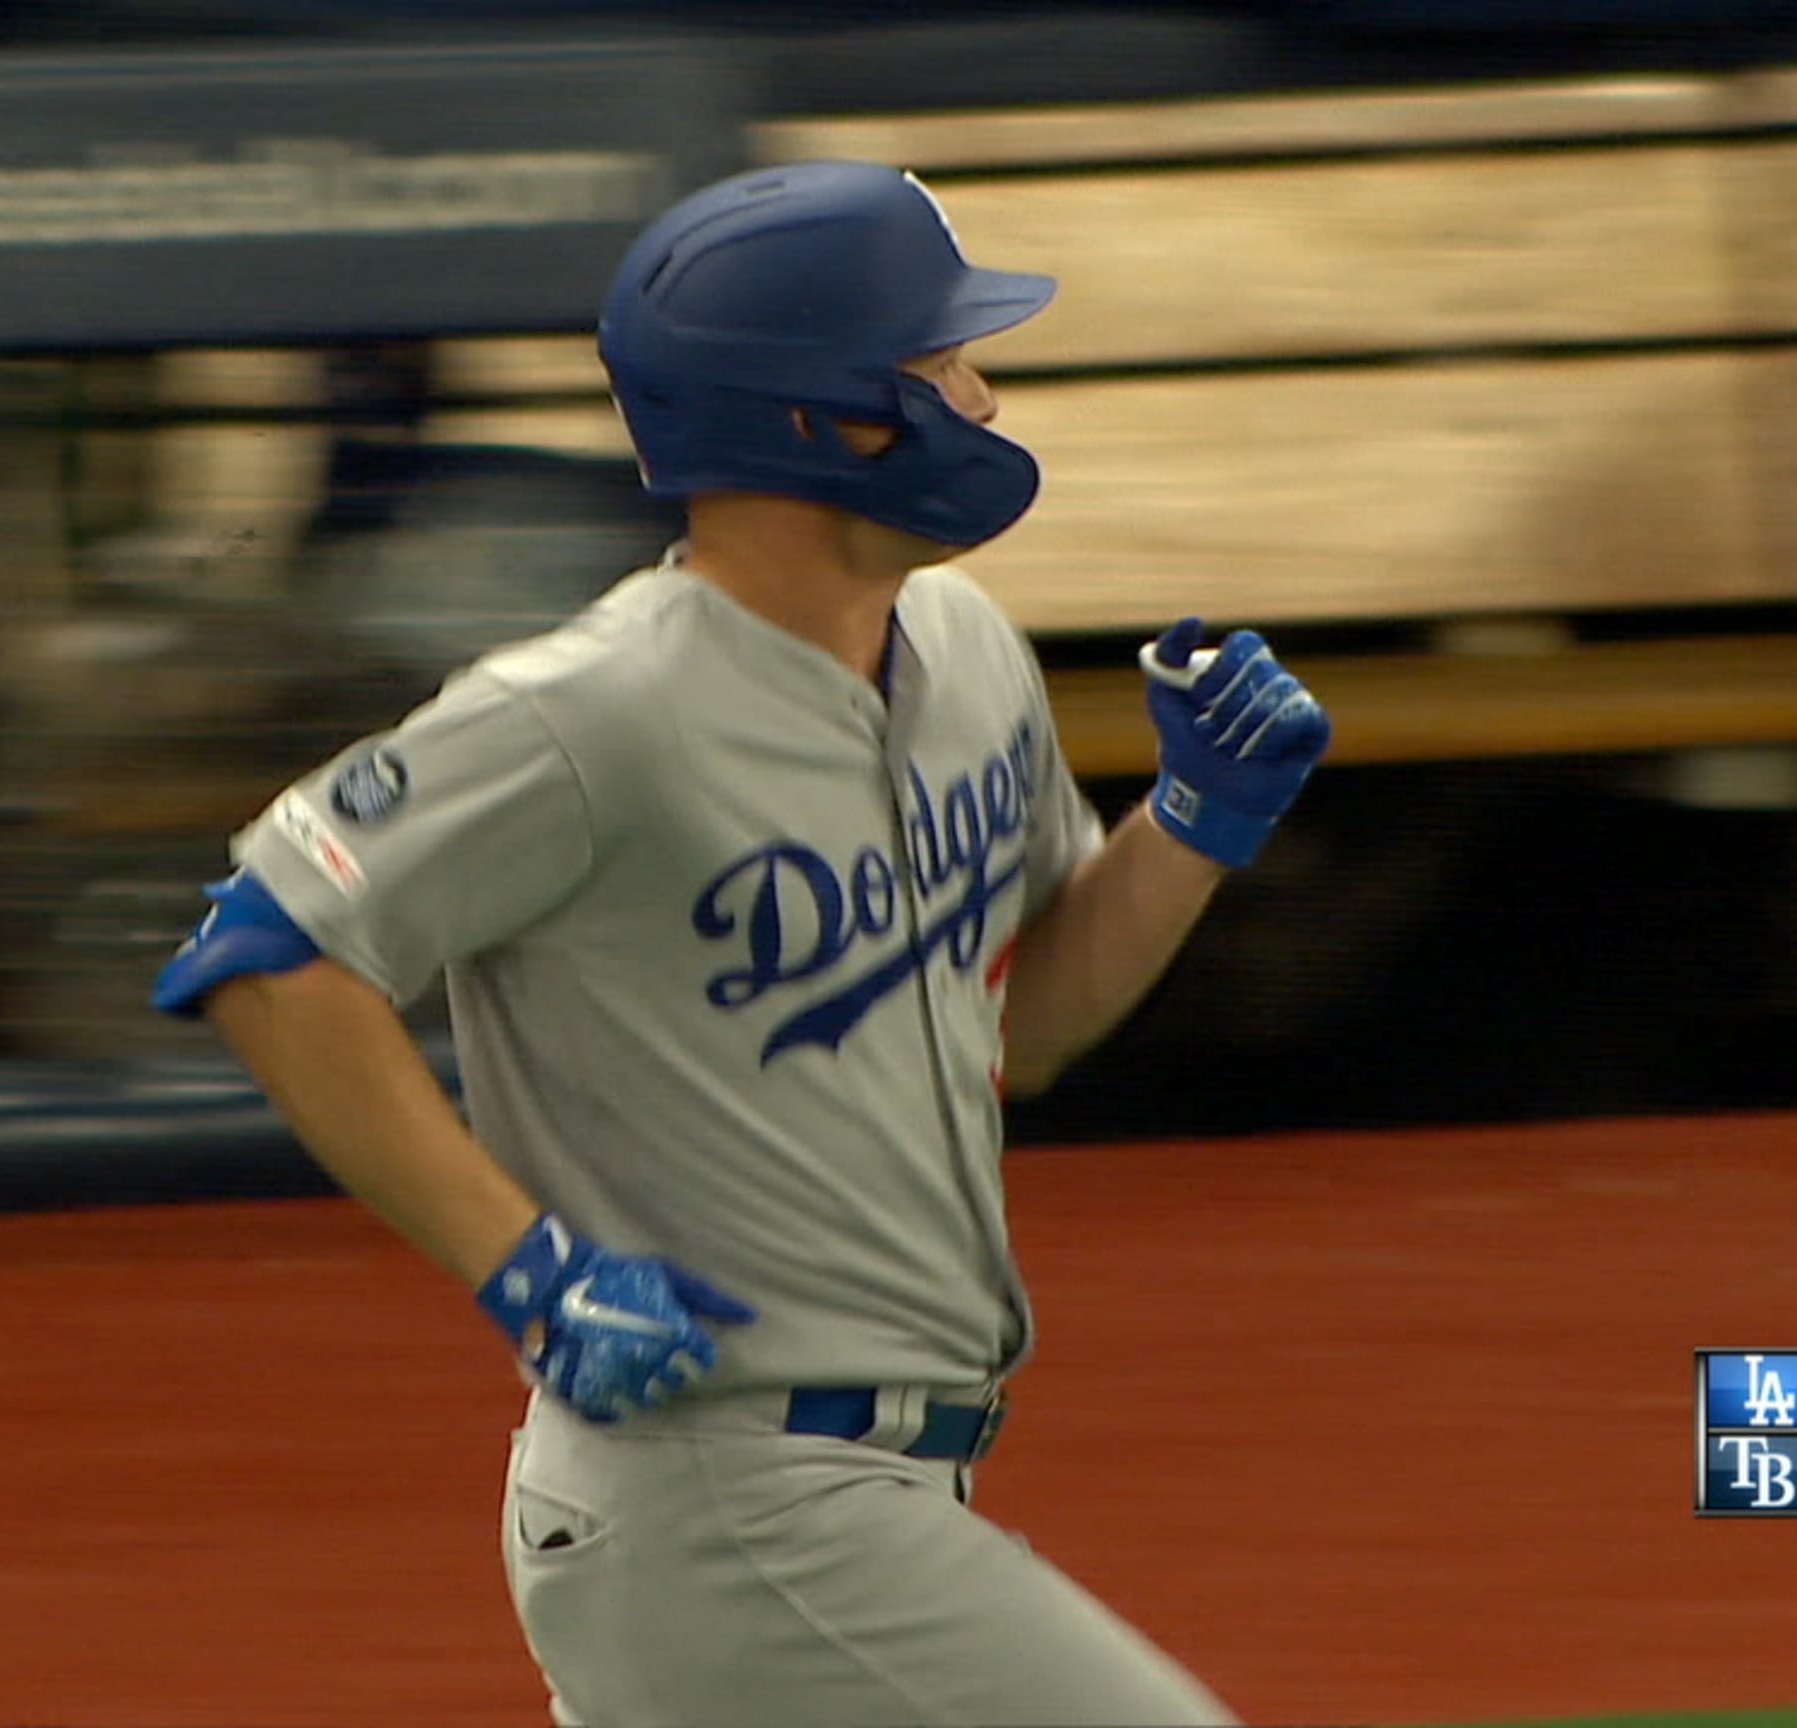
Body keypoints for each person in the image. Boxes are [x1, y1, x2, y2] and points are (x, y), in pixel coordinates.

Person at [152, 158, 1331, 1727]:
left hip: (856, 1497)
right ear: (815, 416)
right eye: (936, 366)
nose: (982, 393)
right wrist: (525, 1268)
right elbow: (266, 943)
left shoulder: (970, 651)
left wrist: (1191, 826)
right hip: (727, 1494)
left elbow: (1021, 1029)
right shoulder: (596, 712)